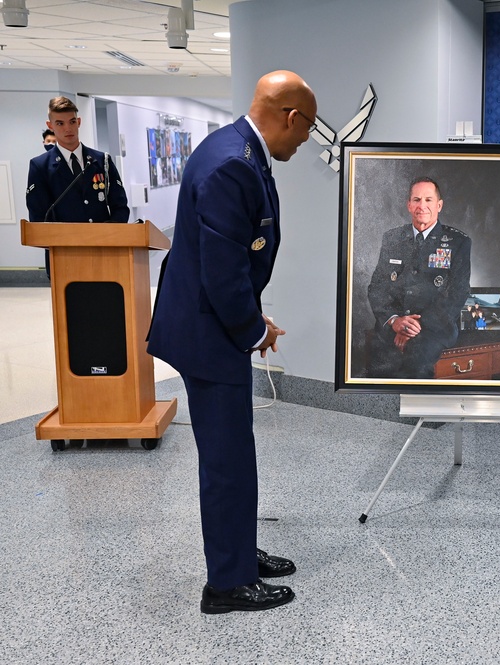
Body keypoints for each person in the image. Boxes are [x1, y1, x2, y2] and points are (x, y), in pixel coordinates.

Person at [147, 70, 318, 614]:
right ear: (289, 117)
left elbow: (229, 258)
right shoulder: (231, 164)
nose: (307, 139)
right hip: (207, 332)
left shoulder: (238, 150)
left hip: (212, 321)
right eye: (307, 128)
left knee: (236, 453)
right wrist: (252, 329)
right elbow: (222, 274)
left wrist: (251, 319)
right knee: (227, 461)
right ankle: (226, 584)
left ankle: (238, 551)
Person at [366, 177, 471, 378]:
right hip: (392, 327)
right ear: (408, 205)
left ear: (439, 205)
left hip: (434, 330)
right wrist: (395, 320)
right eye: (416, 200)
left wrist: (414, 328)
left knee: (416, 366)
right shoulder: (392, 238)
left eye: (428, 200)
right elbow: (377, 287)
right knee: (374, 366)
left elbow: (457, 294)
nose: (422, 206)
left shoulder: (459, 242)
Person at [27, 97, 129, 277]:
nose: (68, 128)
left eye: (72, 121)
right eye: (60, 123)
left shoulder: (101, 161)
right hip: (64, 258)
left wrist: (108, 234)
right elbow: (38, 219)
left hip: (104, 252)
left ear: (79, 122)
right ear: (50, 125)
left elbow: (120, 206)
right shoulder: (40, 166)